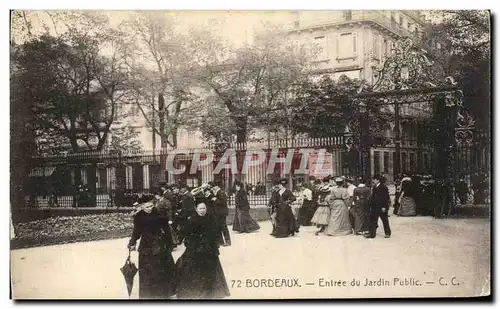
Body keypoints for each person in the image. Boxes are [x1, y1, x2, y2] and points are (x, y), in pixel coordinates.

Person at [128, 191, 177, 299]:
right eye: (147, 207)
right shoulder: (139, 217)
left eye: (151, 206)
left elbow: (167, 231)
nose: (150, 208)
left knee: (162, 271)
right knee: (147, 273)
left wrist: (169, 245)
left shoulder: (159, 214)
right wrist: (132, 242)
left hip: (160, 245)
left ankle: (165, 294)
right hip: (146, 246)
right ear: (141, 207)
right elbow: (137, 231)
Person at [176, 203, 230, 299]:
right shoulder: (191, 220)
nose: (202, 210)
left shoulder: (211, 218)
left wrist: (216, 242)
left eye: (204, 208)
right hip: (195, 248)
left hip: (209, 248)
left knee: (211, 270)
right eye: (200, 208)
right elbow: (185, 233)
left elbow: (216, 231)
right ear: (196, 209)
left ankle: (211, 292)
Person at [365, 174, 391, 239]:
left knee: (385, 220)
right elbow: (373, 197)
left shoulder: (384, 187)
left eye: (374, 179)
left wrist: (384, 207)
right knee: (373, 220)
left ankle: (387, 233)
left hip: (382, 207)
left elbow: (386, 198)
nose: (373, 181)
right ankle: (372, 234)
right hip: (375, 206)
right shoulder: (374, 187)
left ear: (378, 180)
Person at [210, 182, 231, 246]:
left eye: (213, 186)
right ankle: (220, 241)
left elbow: (224, 202)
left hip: (221, 213)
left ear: (217, 186)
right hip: (218, 213)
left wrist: (215, 199)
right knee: (218, 227)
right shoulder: (217, 192)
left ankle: (227, 241)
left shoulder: (221, 192)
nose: (213, 188)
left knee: (223, 227)